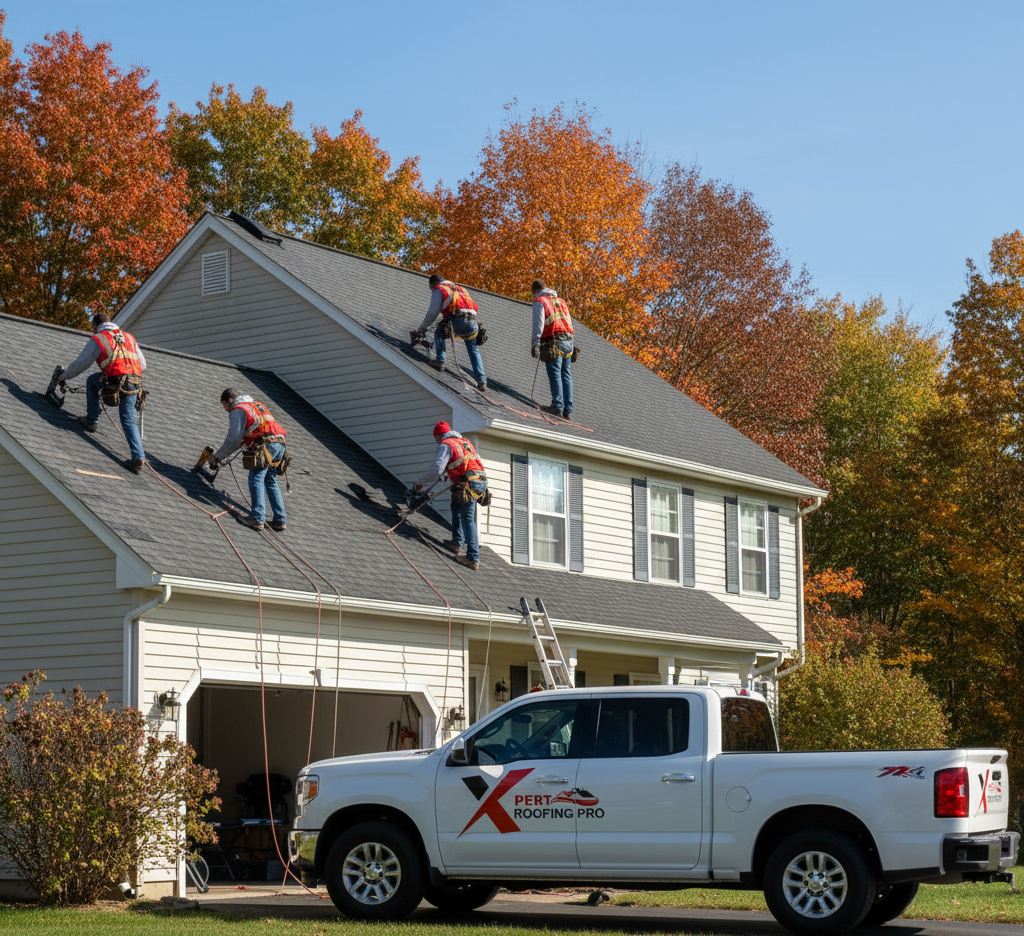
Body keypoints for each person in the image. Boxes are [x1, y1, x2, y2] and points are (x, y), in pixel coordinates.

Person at [59, 313, 147, 473]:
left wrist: (63, 377)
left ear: (95, 326)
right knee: (128, 419)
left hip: (116, 380)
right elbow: (143, 364)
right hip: (135, 380)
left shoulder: (99, 338)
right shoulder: (128, 337)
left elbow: (82, 363)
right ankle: (138, 458)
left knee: (92, 381)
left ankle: (92, 421)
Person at [209, 388, 288, 532]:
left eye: (224, 406)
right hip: (280, 443)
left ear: (229, 401)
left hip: (266, 444)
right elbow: (256, 429)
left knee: (255, 478)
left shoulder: (237, 410)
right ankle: (280, 519)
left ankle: (257, 519)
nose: (226, 410)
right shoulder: (255, 405)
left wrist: (216, 457)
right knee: (270, 480)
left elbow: (232, 439)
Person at [413, 420, 488, 570]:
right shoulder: (464, 442)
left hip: (468, 483)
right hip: (479, 481)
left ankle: (473, 557)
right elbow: (462, 464)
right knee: (456, 507)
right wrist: (448, 477)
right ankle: (456, 543)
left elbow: (436, 469)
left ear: (438, 436)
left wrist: (421, 483)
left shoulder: (446, 444)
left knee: (467, 518)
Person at [413, 275, 487, 390]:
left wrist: (421, 329)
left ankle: (440, 361)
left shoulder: (440, 289)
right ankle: (482, 380)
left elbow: (433, 312)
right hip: (472, 322)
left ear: (433, 284)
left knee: (439, 332)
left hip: (458, 319)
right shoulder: (460, 288)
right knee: (473, 349)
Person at [530, 279, 574, 419]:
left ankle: (557, 406)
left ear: (536, 291)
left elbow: (539, 324)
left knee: (554, 373)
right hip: (568, 340)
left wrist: (535, 343)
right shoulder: (561, 301)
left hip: (554, 340)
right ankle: (567, 409)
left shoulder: (541, 301)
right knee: (565, 374)